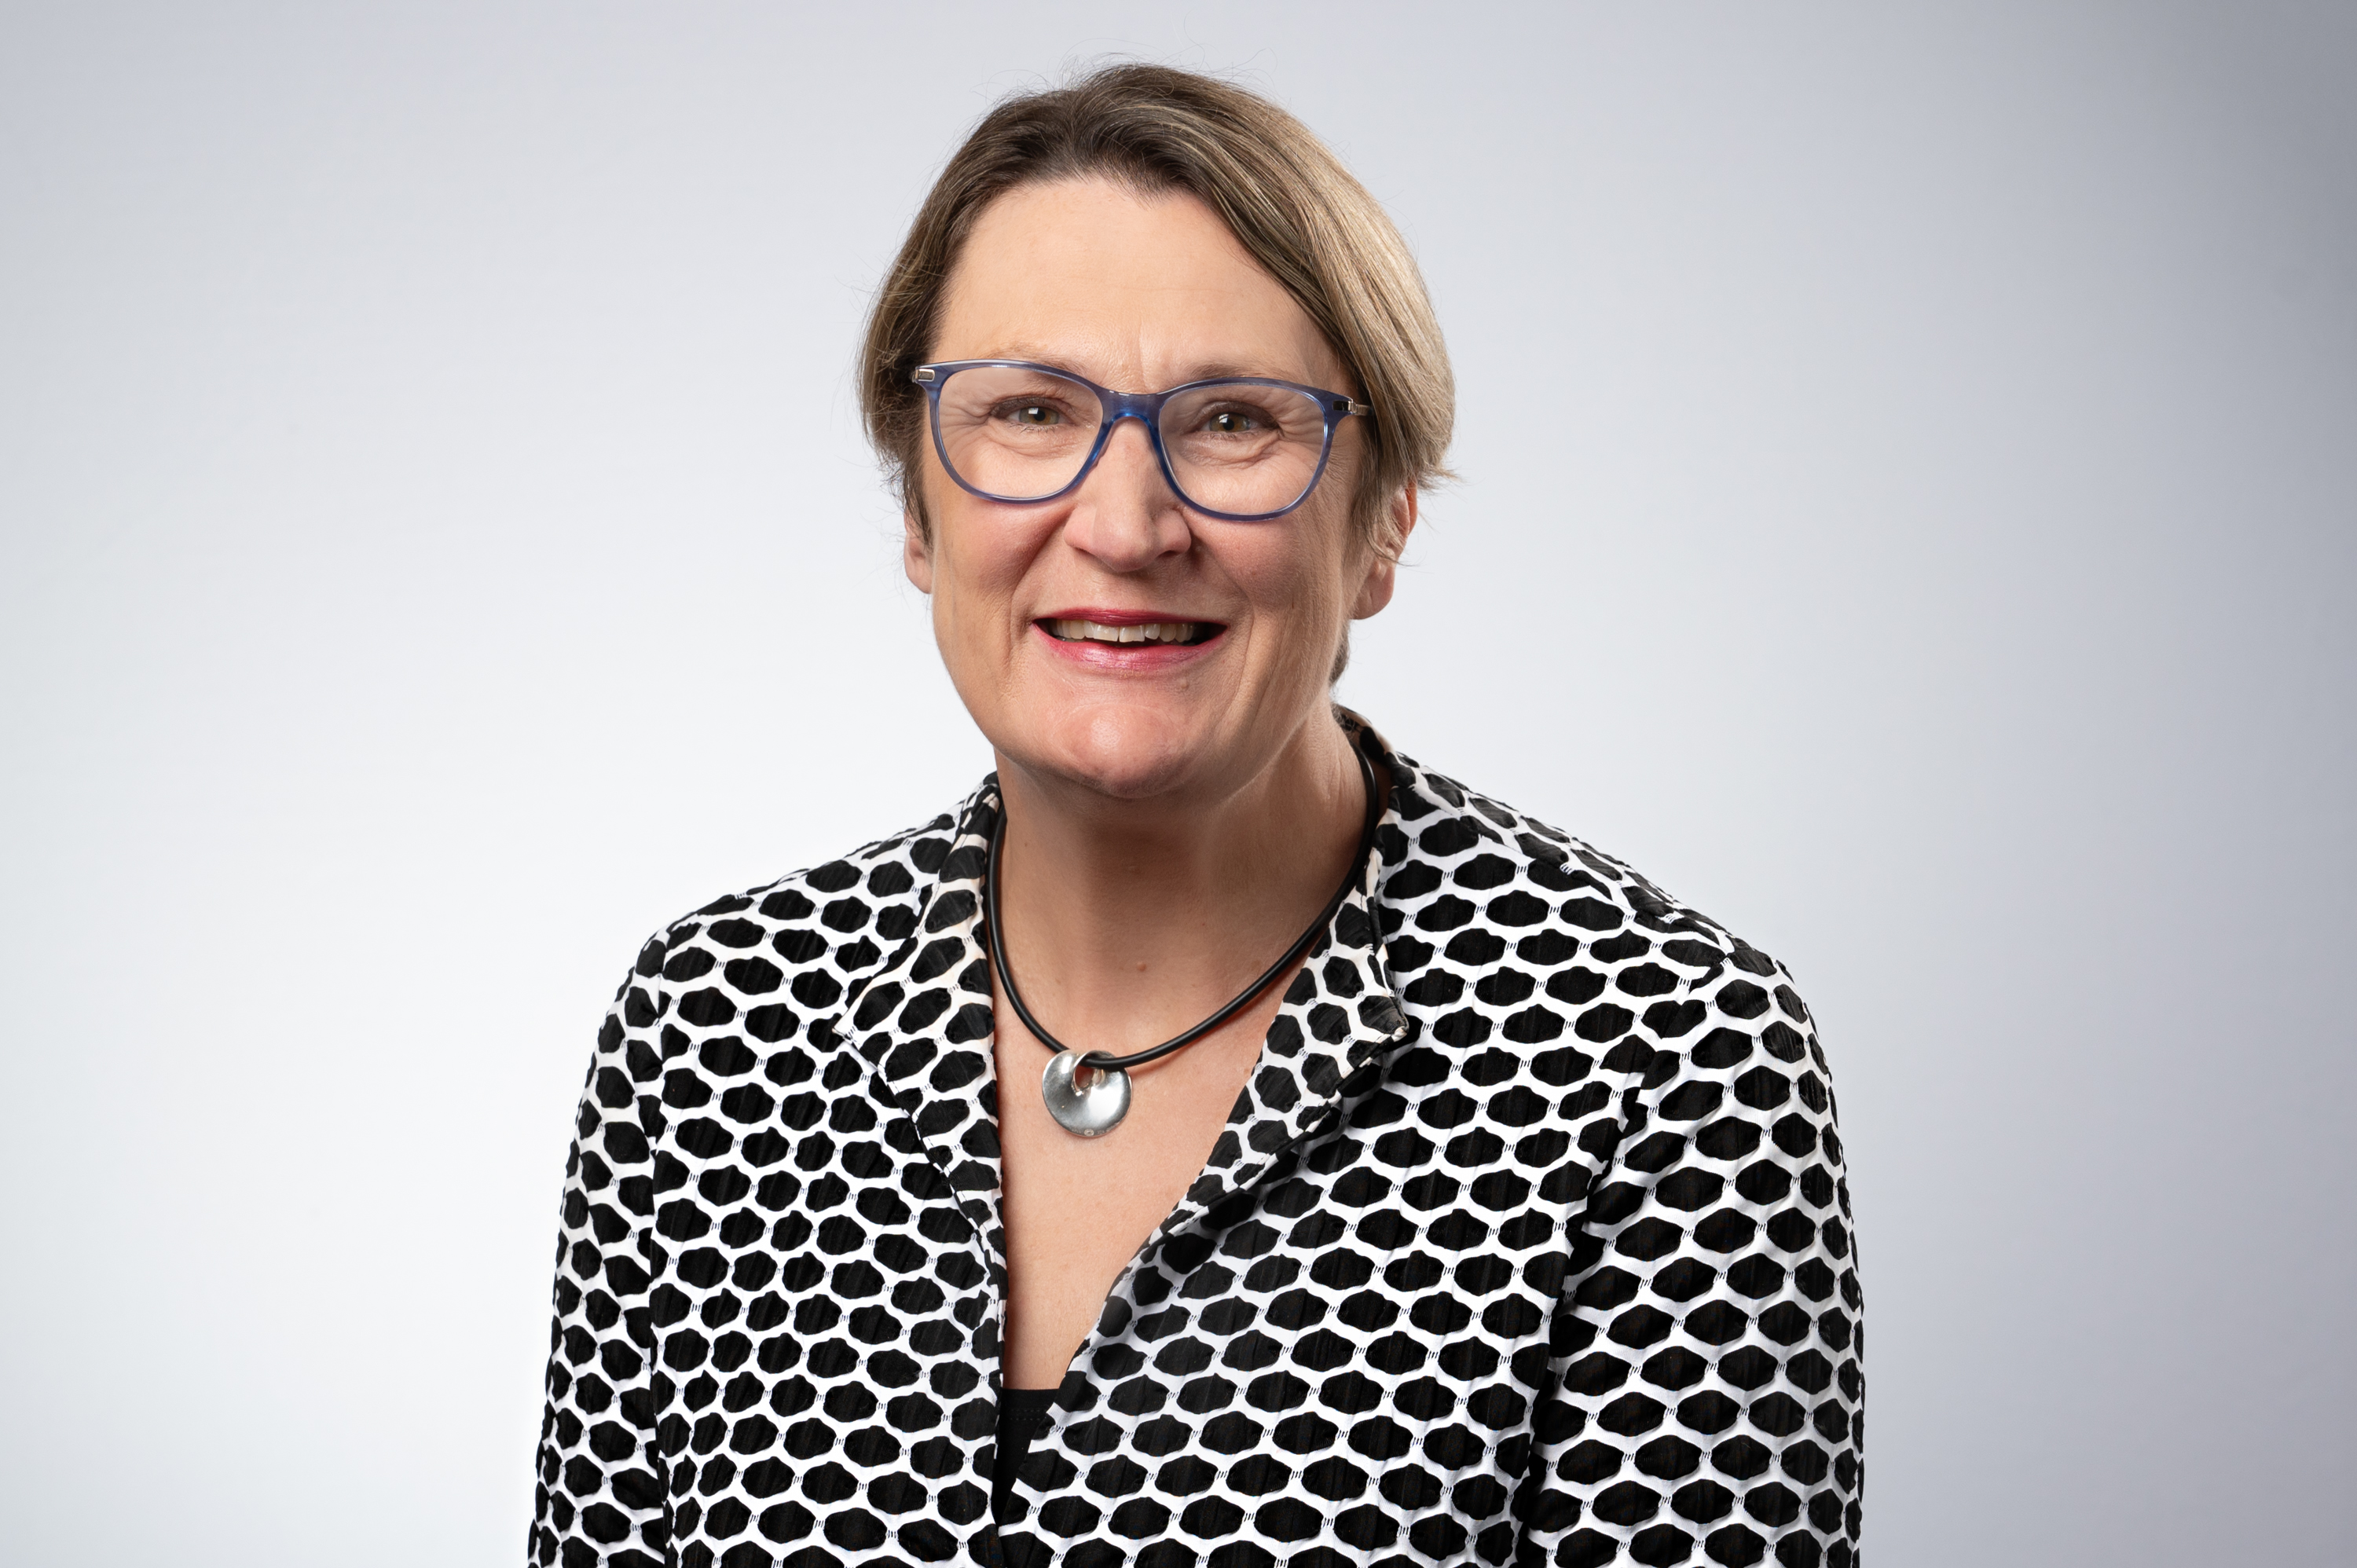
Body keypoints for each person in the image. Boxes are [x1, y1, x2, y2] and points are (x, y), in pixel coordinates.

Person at [530, 64, 1863, 1568]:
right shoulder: (713, 1034)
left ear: (1383, 523)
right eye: (1030, 411)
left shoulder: (1663, 1062)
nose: (1124, 525)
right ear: (916, 509)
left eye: (1233, 421)